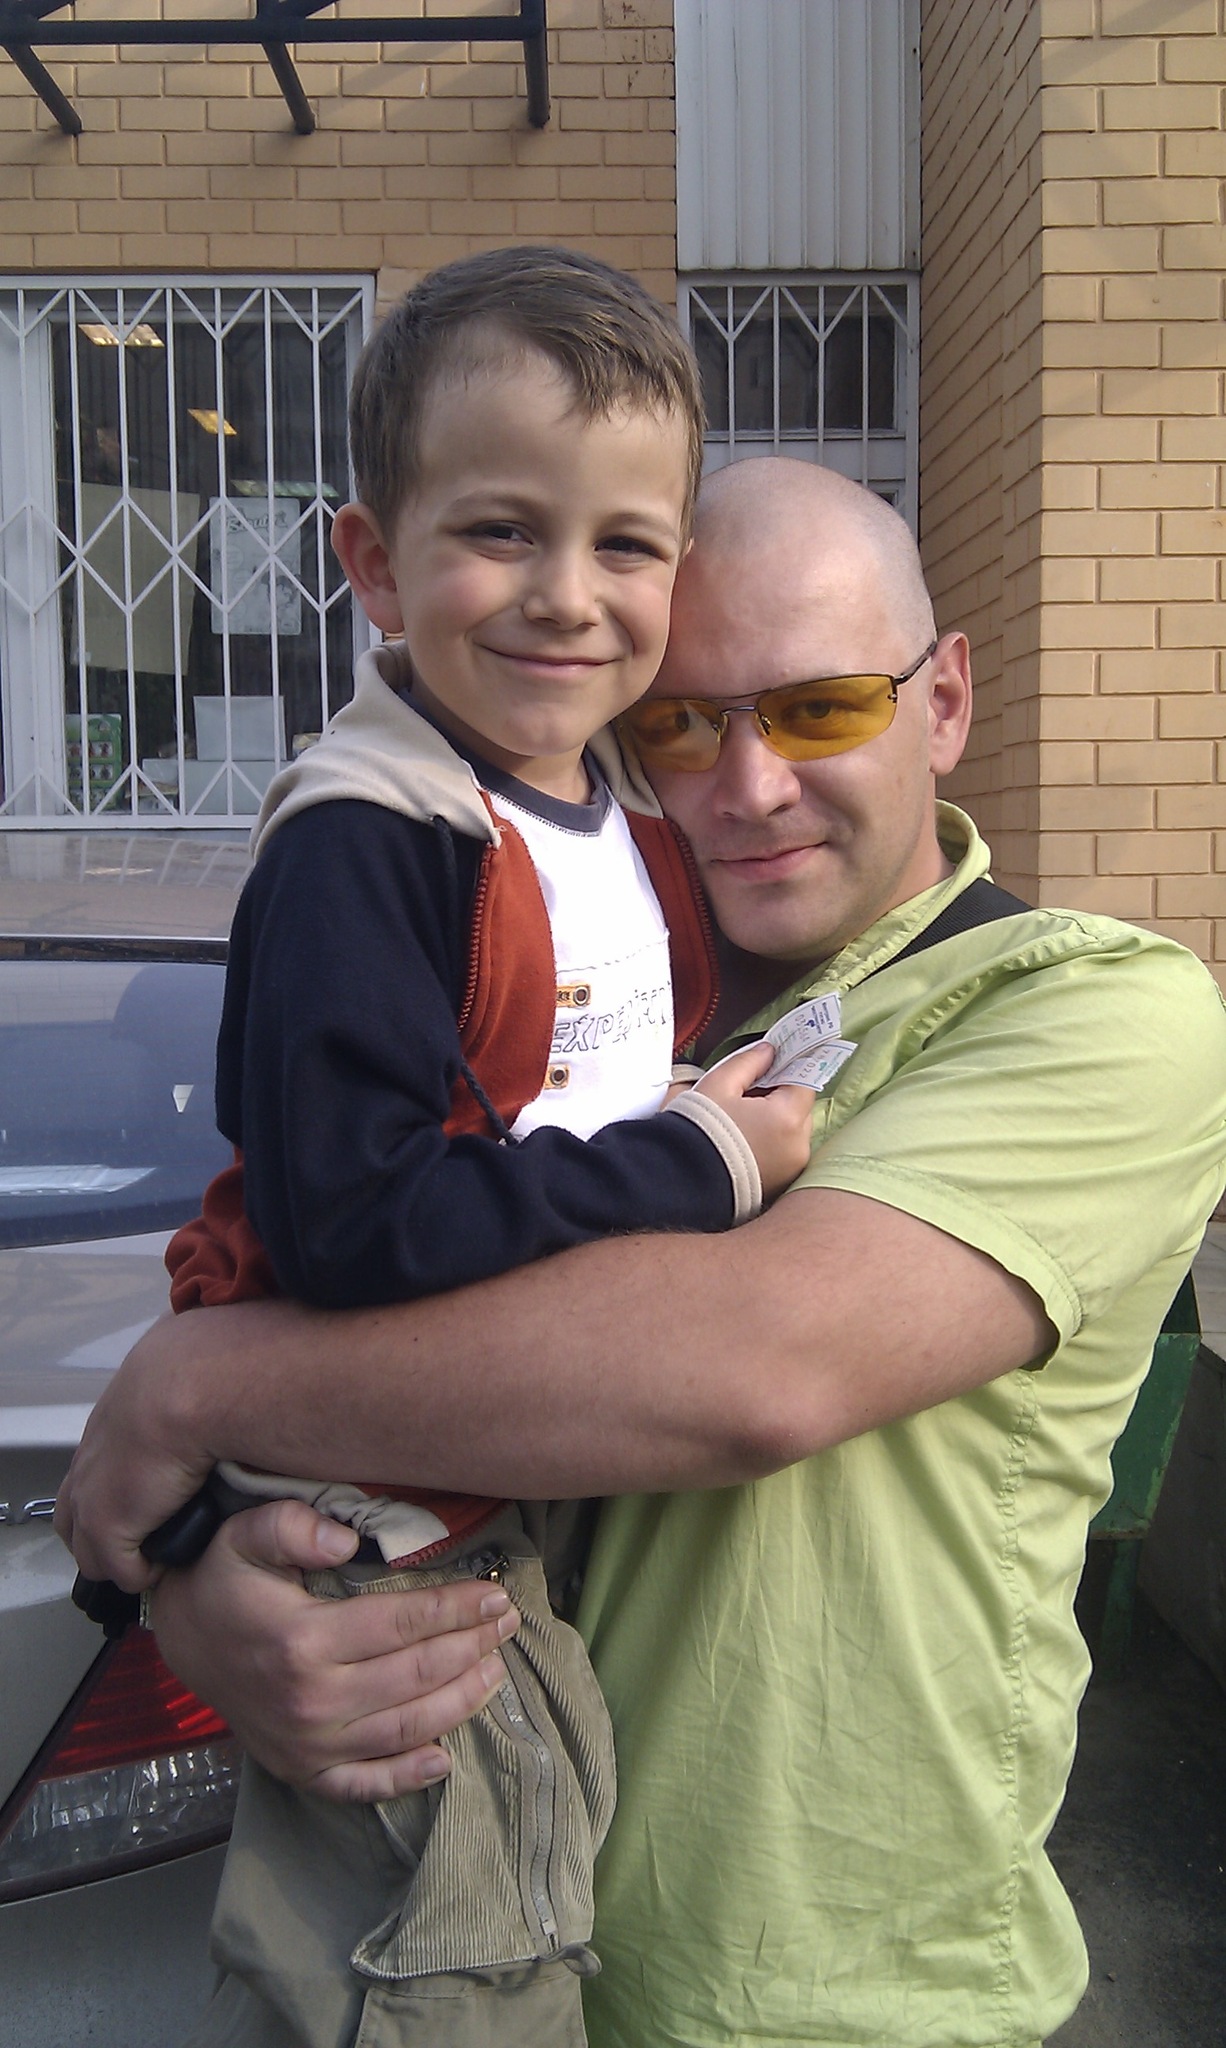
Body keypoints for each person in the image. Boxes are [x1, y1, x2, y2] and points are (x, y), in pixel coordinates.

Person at [59, 458, 1226, 2048]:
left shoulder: (1091, 1010)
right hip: (461, 1931)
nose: (746, 786)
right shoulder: (583, 1013)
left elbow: (752, 1367)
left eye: (818, 709)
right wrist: (213, 1597)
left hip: (817, 2002)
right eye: (677, 724)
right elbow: (361, 1309)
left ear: (942, 701)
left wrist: (190, 1386)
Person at [136, 249, 814, 2048]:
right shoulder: (368, 839)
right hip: (397, 1540)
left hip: (516, 1478)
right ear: (373, 561)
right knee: (458, 1975)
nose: (566, 596)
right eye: (501, 531)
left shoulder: (611, 806)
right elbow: (352, 1224)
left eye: (624, 543)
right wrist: (696, 1166)